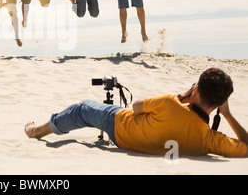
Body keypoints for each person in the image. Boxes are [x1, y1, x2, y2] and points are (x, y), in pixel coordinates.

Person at [24, 67, 248, 157]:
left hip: (120, 126)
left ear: (195, 89)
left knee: (81, 109)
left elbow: (136, 107)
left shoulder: (171, 103)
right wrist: (227, 115)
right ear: (220, 103)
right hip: (133, 144)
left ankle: (36, 131)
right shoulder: (210, 140)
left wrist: (181, 96)